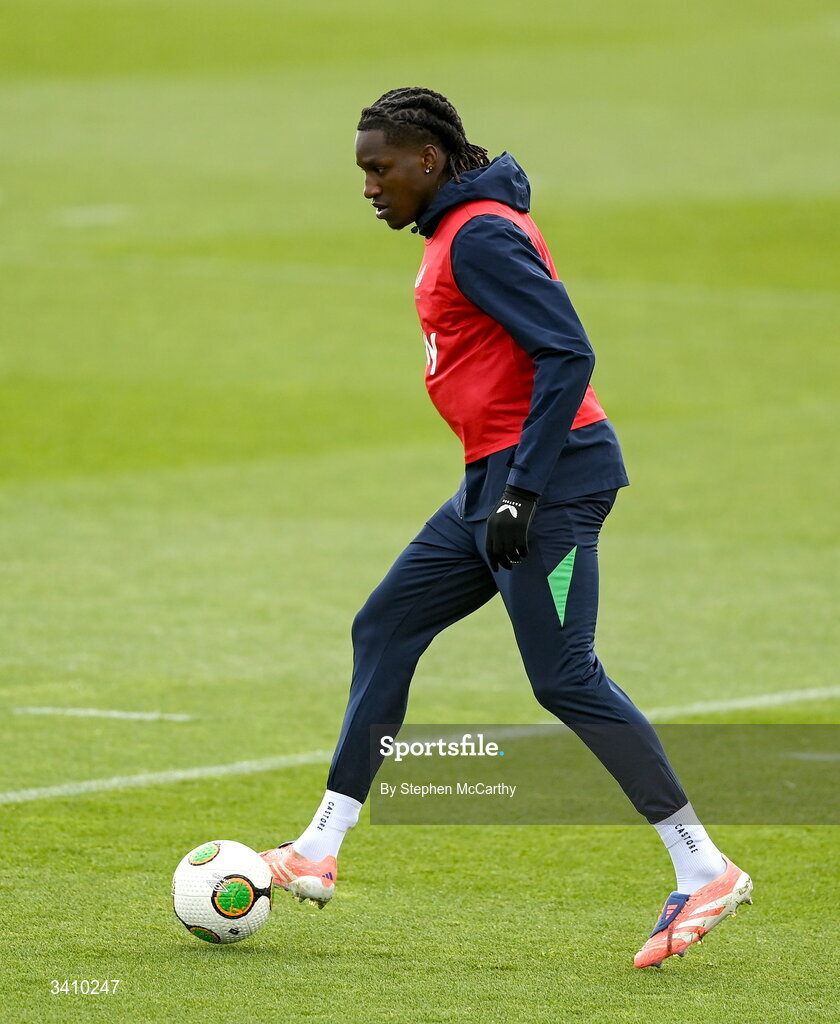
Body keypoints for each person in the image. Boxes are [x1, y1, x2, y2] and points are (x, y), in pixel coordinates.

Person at [261, 87, 752, 968]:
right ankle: (319, 849)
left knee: (564, 677)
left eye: (380, 169)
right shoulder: (457, 230)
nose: (370, 186)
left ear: (429, 161)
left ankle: (704, 865)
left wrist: (524, 490)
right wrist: (503, 485)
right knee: (386, 624)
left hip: (550, 483)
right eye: (363, 171)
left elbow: (569, 350)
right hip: (492, 480)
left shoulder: (480, 232)